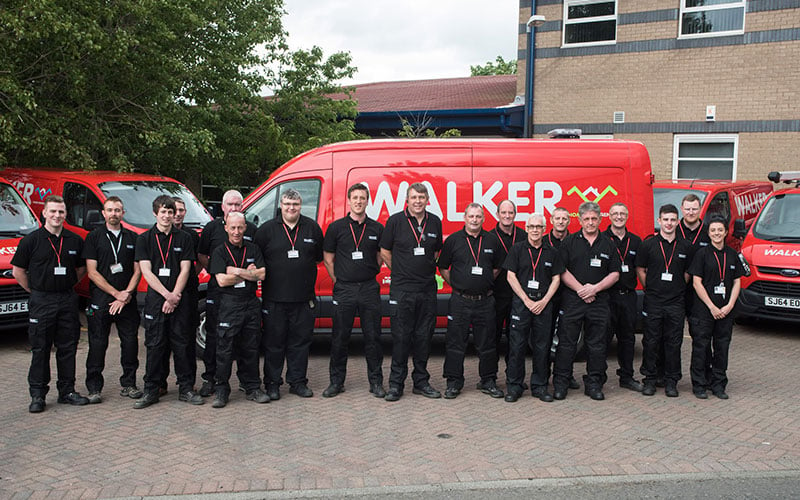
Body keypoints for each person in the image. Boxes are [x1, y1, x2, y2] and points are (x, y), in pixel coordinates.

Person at [12, 195, 90, 413]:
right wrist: (35, 290)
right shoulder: (31, 240)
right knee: (41, 348)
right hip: (41, 299)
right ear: (44, 213)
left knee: (67, 347)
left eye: (61, 212)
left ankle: (67, 391)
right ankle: (38, 395)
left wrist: (68, 285)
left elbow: (82, 268)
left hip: (66, 299)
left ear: (66, 214)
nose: (57, 216)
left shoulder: (74, 240)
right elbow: (18, 271)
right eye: (53, 211)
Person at [133, 195, 203, 408]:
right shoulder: (144, 239)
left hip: (179, 298)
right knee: (155, 345)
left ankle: (186, 389)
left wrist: (174, 296)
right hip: (156, 299)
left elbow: (186, 269)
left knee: (183, 345)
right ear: (155, 213)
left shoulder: (183, 238)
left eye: (170, 212)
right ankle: (151, 390)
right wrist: (166, 295)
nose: (167, 216)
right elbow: (146, 271)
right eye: (163, 212)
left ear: (175, 215)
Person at [255, 189, 323, 400]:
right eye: (287, 204)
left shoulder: (312, 228)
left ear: (300, 205)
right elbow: (256, 260)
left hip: (303, 299)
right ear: (281, 206)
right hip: (274, 299)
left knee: (300, 343)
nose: (291, 208)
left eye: (295, 204)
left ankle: (298, 382)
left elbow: (318, 258)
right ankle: (273, 384)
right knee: (274, 344)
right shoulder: (266, 230)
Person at [380, 182, 443, 401]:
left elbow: (435, 252)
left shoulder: (434, 222)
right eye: (414, 197)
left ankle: (421, 382)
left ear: (428, 200)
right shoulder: (395, 221)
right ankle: (396, 385)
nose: (418, 201)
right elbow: (385, 250)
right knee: (401, 338)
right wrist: (400, 270)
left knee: (424, 338)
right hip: (402, 290)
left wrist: (422, 268)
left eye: (422, 197)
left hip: (426, 290)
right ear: (407, 200)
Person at [321, 183, 385, 398]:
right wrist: (339, 280)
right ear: (348, 201)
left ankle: (376, 383)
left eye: (362, 198)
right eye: (355, 197)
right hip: (345, 289)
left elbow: (380, 256)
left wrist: (369, 271)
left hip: (369, 288)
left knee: (374, 338)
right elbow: (328, 259)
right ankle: (336, 383)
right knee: (340, 338)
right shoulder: (336, 227)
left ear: (368, 201)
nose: (359, 201)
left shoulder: (377, 228)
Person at [553, 201, 620, 401]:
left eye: (594, 219)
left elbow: (615, 273)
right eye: (586, 219)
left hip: (599, 301)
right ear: (580, 220)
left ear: (600, 219)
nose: (590, 222)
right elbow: (562, 271)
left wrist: (595, 288)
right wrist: (581, 290)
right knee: (566, 344)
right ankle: (561, 384)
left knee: (597, 345)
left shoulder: (608, 243)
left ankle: (593, 384)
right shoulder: (569, 243)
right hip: (573, 300)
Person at [438, 203, 503, 399]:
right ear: (464, 218)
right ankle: (454, 382)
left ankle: (488, 380)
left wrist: (482, 283)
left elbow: (497, 268)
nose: (474, 220)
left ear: (483, 219)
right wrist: (459, 285)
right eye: (471, 216)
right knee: (455, 343)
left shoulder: (492, 240)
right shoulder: (453, 241)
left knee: (488, 343)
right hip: (460, 301)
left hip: (485, 301)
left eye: (478, 216)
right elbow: (443, 267)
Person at [197, 190, 258, 397]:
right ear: (222, 207)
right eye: (230, 205)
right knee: (215, 338)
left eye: (237, 205)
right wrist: (218, 270)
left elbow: (257, 266)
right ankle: (211, 379)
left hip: (244, 297)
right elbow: (202, 254)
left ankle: (246, 382)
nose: (233, 208)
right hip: (218, 293)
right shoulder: (212, 228)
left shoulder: (251, 230)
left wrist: (235, 272)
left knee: (245, 341)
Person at [82, 196, 142, 403]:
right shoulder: (94, 237)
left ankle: (129, 384)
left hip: (127, 299)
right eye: (110, 210)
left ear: (123, 213)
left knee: (130, 343)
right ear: (103, 213)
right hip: (102, 299)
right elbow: (92, 272)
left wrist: (126, 294)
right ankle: (94, 388)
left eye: (118, 210)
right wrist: (116, 294)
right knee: (97, 344)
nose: (114, 214)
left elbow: (138, 270)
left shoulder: (133, 238)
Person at [208, 212, 270, 407]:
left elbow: (262, 274)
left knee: (251, 347)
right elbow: (221, 280)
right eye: (233, 227)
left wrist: (235, 271)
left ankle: (252, 387)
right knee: (225, 349)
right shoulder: (219, 251)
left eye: (240, 227)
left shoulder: (253, 248)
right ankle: (221, 390)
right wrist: (248, 272)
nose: (236, 232)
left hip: (250, 303)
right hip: (229, 303)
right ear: (226, 227)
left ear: (245, 227)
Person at [503, 213, 563, 403]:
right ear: (526, 228)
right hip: (522, 304)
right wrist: (526, 300)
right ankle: (514, 386)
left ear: (544, 229)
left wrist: (544, 301)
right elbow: (510, 276)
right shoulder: (517, 249)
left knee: (542, 347)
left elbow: (557, 278)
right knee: (516, 346)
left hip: (543, 305)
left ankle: (540, 386)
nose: (535, 230)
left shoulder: (552, 252)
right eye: (532, 227)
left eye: (539, 227)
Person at [636, 204, 692, 398]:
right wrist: (650, 288)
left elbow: (686, 273)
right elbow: (641, 270)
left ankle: (671, 381)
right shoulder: (649, 244)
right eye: (665, 219)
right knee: (651, 341)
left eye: (672, 220)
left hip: (676, 302)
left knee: (673, 342)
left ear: (678, 222)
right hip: (654, 301)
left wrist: (675, 288)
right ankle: (650, 380)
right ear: (659, 221)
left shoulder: (686, 246)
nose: (669, 223)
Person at [687, 216, 743, 400]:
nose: (717, 234)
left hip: (726, 311)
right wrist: (711, 306)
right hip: (704, 311)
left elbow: (737, 281)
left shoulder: (732, 254)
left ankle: (718, 384)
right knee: (701, 347)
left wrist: (729, 305)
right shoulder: (702, 254)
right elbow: (696, 282)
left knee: (721, 348)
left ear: (726, 232)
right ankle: (700, 384)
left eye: (720, 230)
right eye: (713, 231)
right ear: (708, 233)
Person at [603, 202, 644, 393]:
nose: (619, 217)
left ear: (627, 216)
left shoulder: (635, 241)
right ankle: (598, 377)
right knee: (601, 338)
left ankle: (626, 377)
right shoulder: (602, 239)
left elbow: (640, 269)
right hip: (606, 297)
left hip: (628, 297)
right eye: (615, 214)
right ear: (609, 216)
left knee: (627, 339)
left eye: (622, 214)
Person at [543, 206, 580, 391]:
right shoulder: (542, 242)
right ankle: (543, 375)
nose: (561, 222)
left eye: (564, 219)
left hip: (569, 296)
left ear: (569, 221)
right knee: (545, 337)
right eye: (557, 218)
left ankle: (566, 374)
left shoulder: (576, 242)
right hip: (548, 297)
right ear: (551, 220)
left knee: (567, 339)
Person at [678, 193, 712, 388]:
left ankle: (703, 379)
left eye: (694, 209)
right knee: (671, 337)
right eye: (687, 208)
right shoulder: (673, 229)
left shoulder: (709, 233)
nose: (691, 212)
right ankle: (665, 376)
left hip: (700, 294)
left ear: (700, 210)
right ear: (682, 209)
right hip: (676, 293)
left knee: (701, 338)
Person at [490, 200, 526, 368]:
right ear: (497, 214)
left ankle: (514, 377)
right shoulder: (488, 237)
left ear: (515, 215)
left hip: (518, 296)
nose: (507, 216)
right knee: (492, 338)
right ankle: (490, 379)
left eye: (510, 213)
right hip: (495, 296)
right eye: (503, 212)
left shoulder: (524, 237)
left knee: (517, 340)